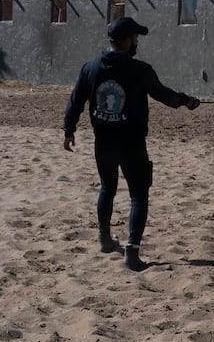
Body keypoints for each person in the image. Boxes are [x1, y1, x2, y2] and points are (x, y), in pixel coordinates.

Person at [63, 17, 200, 271]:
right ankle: (132, 253)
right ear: (126, 40)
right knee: (139, 196)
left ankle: (105, 239)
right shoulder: (140, 70)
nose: (137, 41)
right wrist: (187, 101)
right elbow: (163, 95)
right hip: (132, 143)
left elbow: (75, 100)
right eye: (135, 37)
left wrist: (69, 129)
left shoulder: (90, 67)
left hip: (102, 141)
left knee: (107, 188)